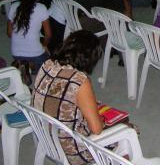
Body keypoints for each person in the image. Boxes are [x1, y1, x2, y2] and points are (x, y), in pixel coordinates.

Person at [32, 31, 105, 165]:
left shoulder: (47, 64)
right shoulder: (79, 80)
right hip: (71, 149)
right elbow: (96, 129)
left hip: (45, 136)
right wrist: (102, 121)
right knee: (127, 131)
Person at [7, 0, 52, 77]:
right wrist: (44, 45)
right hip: (36, 55)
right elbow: (48, 35)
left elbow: (9, 33)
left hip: (16, 54)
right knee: (50, 64)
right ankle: (31, 66)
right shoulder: (41, 8)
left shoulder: (14, 6)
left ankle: (22, 65)